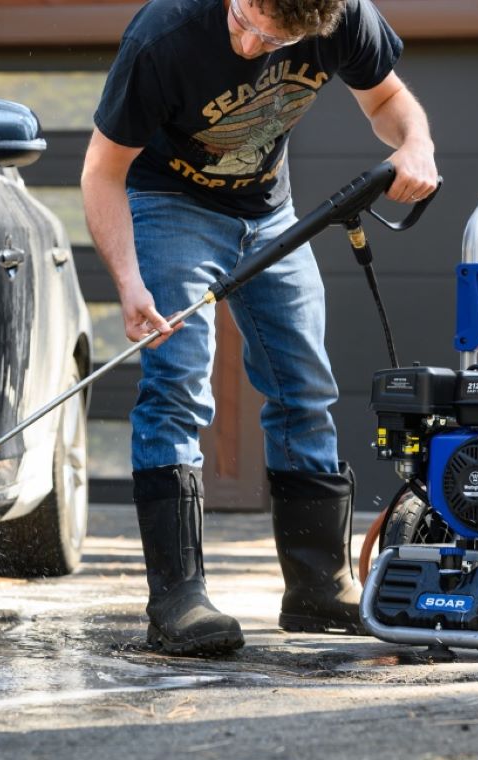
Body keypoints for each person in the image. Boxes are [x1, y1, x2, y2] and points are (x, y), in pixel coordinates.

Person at [81, 0, 438, 656]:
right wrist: (130, 284)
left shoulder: (347, 17)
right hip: (170, 203)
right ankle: (177, 600)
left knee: (305, 385)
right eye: (243, 18)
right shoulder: (165, 35)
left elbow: (389, 101)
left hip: (271, 210)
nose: (247, 44)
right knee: (179, 382)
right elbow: (101, 171)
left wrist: (416, 141)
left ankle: (317, 588)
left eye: (272, 39)